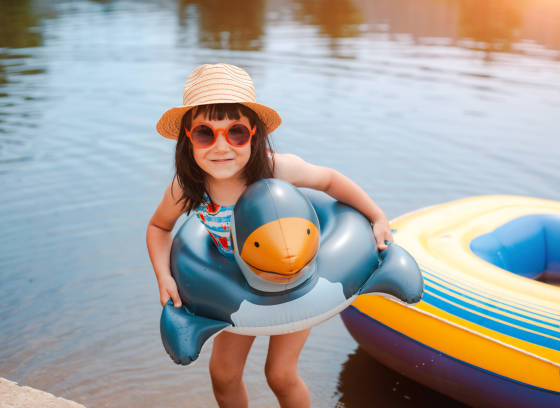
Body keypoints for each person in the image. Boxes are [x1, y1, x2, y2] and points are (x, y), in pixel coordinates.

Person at [146, 63, 393, 408]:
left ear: (254, 134)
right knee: (223, 375)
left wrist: (376, 215)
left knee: (279, 373)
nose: (221, 146)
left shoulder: (276, 168)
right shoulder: (189, 186)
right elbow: (159, 227)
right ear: (187, 137)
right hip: (235, 287)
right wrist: (164, 277)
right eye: (205, 133)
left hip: (293, 279)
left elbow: (330, 180)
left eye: (236, 133)